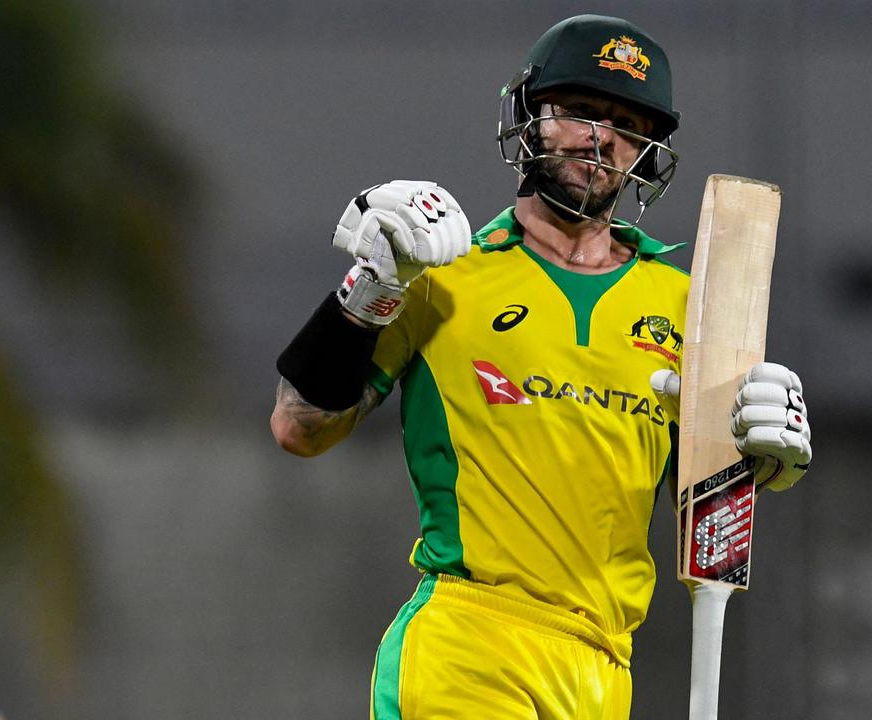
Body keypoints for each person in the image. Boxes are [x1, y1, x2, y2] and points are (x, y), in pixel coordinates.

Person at [270, 14, 812, 720]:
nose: (601, 138)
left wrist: (768, 457)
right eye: (581, 111)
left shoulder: (687, 306)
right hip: (471, 643)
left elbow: (703, 490)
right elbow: (299, 426)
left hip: (603, 667)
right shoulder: (442, 273)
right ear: (530, 117)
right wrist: (371, 284)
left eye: (626, 124)